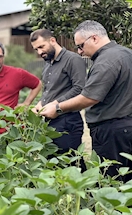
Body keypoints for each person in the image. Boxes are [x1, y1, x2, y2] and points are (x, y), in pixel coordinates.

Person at [40, 20, 132, 182]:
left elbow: (89, 97)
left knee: (112, 184)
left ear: (94, 38)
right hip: (126, 127)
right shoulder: (126, 53)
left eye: (81, 46)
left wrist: (58, 108)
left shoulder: (106, 61)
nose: (80, 52)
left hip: (111, 132)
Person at [30, 29, 86, 170]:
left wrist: (55, 104)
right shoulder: (48, 63)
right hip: (50, 121)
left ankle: (92, 191)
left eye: (41, 47)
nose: (39, 52)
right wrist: (40, 104)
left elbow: (80, 88)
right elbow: (49, 91)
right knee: (56, 166)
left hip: (68, 120)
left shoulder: (73, 59)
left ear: (53, 40)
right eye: (36, 49)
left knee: (72, 166)